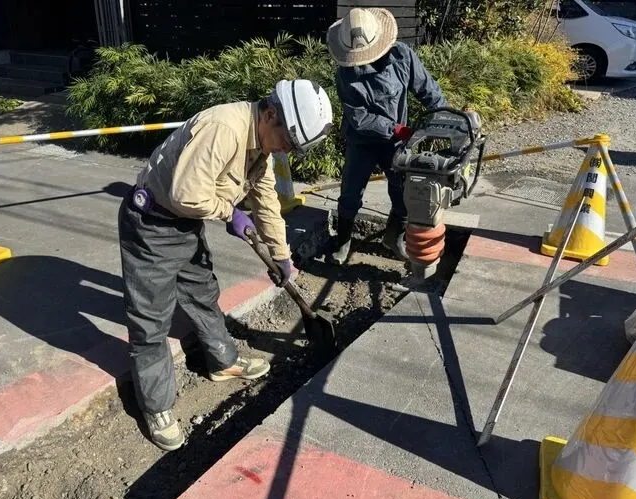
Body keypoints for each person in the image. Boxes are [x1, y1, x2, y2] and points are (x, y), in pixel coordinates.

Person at [118, 79, 333, 451]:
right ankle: (156, 406)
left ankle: (222, 362)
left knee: (202, 293)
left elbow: (265, 201)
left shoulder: (261, 146)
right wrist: (229, 213)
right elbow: (187, 195)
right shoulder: (224, 129)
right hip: (152, 223)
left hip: (185, 224)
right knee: (151, 318)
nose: (285, 151)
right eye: (287, 142)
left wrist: (281, 255)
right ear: (270, 115)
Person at [325, 7, 449, 265]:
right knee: (350, 191)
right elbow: (358, 117)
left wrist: (445, 117)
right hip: (362, 141)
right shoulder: (345, 73)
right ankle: (343, 241)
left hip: (395, 143)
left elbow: (428, 90)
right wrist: (393, 128)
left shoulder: (402, 57)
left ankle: (394, 237)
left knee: (404, 191)